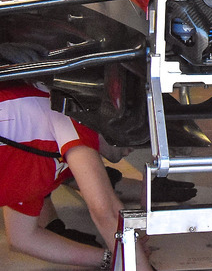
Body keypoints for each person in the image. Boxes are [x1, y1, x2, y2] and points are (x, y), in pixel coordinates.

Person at [0, 81, 153, 269]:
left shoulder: (48, 160)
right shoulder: (71, 113)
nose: (135, 146)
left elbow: (22, 237)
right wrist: (136, 263)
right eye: (137, 133)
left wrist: (111, 258)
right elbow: (105, 210)